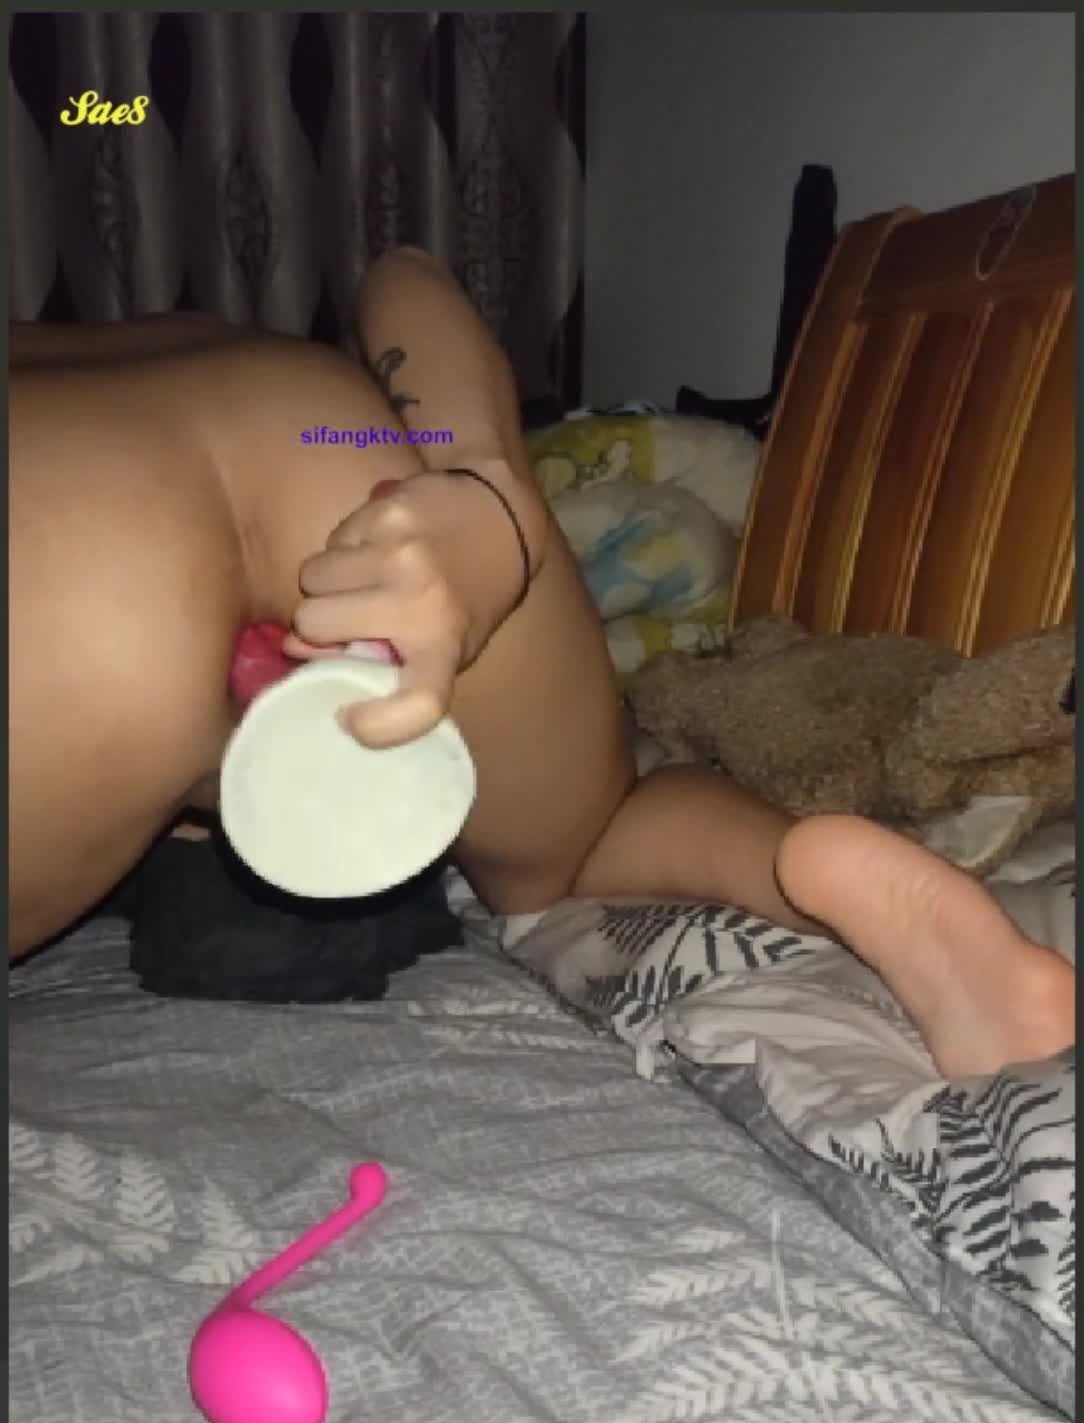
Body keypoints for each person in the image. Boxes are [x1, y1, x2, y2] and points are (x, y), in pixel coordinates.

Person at [10, 248, 1074, 1077]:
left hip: (60, 546)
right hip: (335, 451)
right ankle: (824, 878)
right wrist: (488, 495)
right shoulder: (168, 343)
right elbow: (404, 271)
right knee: (595, 831)